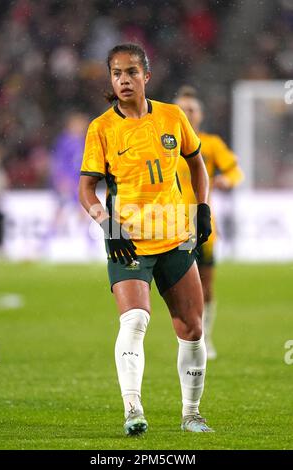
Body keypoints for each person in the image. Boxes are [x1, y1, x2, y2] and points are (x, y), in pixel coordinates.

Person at [79, 44, 214, 435]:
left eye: (131, 72)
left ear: (146, 77)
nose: (124, 79)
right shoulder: (101, 128)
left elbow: (197, 164)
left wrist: (201, 207)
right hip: (128, 241)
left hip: (174, 238)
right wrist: (106, 223)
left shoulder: (172, 117)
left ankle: (191, 414)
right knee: (135, 319)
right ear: (111, 79)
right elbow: (86, 189)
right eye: (117, 73)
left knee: (191, 329)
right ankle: (132, 408)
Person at [175, 86, 244, 359]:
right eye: (182, 109)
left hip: (202, 226)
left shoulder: (211, 144)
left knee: (206, 287)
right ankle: (188, 337)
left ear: (200, 115)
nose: (187, 113)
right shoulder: (164, 142)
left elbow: (235, 170)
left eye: (191, 109)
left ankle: (206, 337)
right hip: (173, 225)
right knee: (180, 288)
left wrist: (228, 180)